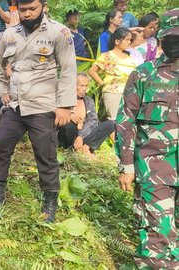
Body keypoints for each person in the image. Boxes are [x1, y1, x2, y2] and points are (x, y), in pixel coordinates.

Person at [0, 0, 77, 223]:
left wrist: (65, 105)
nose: (27, 14)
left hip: (43, 106)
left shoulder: (59, 33)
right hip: (16, 105)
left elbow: (68, 69)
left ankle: (49, 201)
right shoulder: (9, 35)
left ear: (43, 7)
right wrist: (3, 91)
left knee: (46, 155)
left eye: (32, 9)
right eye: (23, 10)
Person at [115, 8, 178, 269]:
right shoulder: (144, 74)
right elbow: (125, 121)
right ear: (162, 38)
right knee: (157, 238)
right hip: (154, 170)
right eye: (172, 38)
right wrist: (127, 166)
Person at [57, 73, 114, 156]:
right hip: (66, 135)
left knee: (110, 124)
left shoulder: (89, 101)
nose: (84, 89)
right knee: (70, 125)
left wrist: (81, 136)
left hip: (82, 136)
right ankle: (72, 149)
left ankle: (86, 146)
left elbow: (92, 121)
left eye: (86, 86)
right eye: (81, 86)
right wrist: (68, 115)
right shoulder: (63, 98)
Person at [88, 28, 136, 121]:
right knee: (114, 121)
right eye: (127, 39)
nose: (129, 42)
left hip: (129, 93)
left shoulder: (129, 57)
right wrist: (102, 83)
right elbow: (92, 71)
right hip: (113, 92)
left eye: (130, 40)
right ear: (117, 41)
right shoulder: (107, 56)